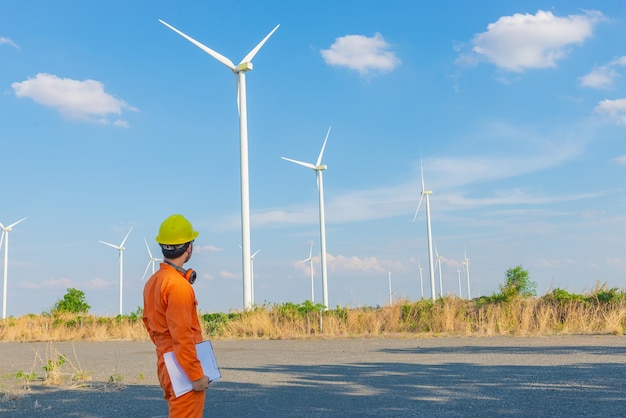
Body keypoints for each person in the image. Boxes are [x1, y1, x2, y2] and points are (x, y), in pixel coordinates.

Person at [143, 214, 209, 417]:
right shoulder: (178, 286)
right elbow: (182, 335)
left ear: (162, 246)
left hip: (166, 362)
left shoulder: (154, 281)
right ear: (189, 247)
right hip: (183, 368)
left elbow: (149, 323)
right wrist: (196, 375)